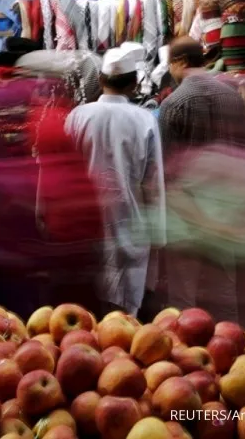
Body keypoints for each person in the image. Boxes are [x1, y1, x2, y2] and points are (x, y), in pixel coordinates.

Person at [64, 47, 165, 318]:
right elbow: (152, 183)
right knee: (123, 321)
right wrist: (159, 234)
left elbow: (64, 172)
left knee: (82, 315)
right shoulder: (144, 119)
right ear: (134, 83)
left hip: (84, 224)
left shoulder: (77, 116)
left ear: (100, 80)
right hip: (130, 224)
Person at [158, 37, 245, 321]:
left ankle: (184, 357)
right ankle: (233, 349)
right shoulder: (232, 97)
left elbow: (166, 169)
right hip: (225, 208)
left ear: (180, 62)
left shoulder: (174, 103)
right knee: (224, 291)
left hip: (186, 215)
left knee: (184, 298)